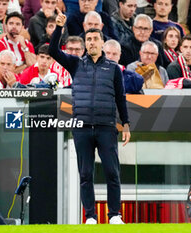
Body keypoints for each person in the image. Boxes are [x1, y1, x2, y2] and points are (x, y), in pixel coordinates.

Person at [49, 8, 130, 224]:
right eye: (89, 39)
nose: (92, 42)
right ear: (85, 44)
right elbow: (53, 51)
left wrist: (127, 124)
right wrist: (59, 27)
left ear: (103, 43)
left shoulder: (113, 69)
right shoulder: (76, 64)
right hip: (82, 127)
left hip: (106, 127)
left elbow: (121, 98)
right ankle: (91, 217)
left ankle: (114, 215)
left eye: (96, 39)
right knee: (85, 175)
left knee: (112, 173)